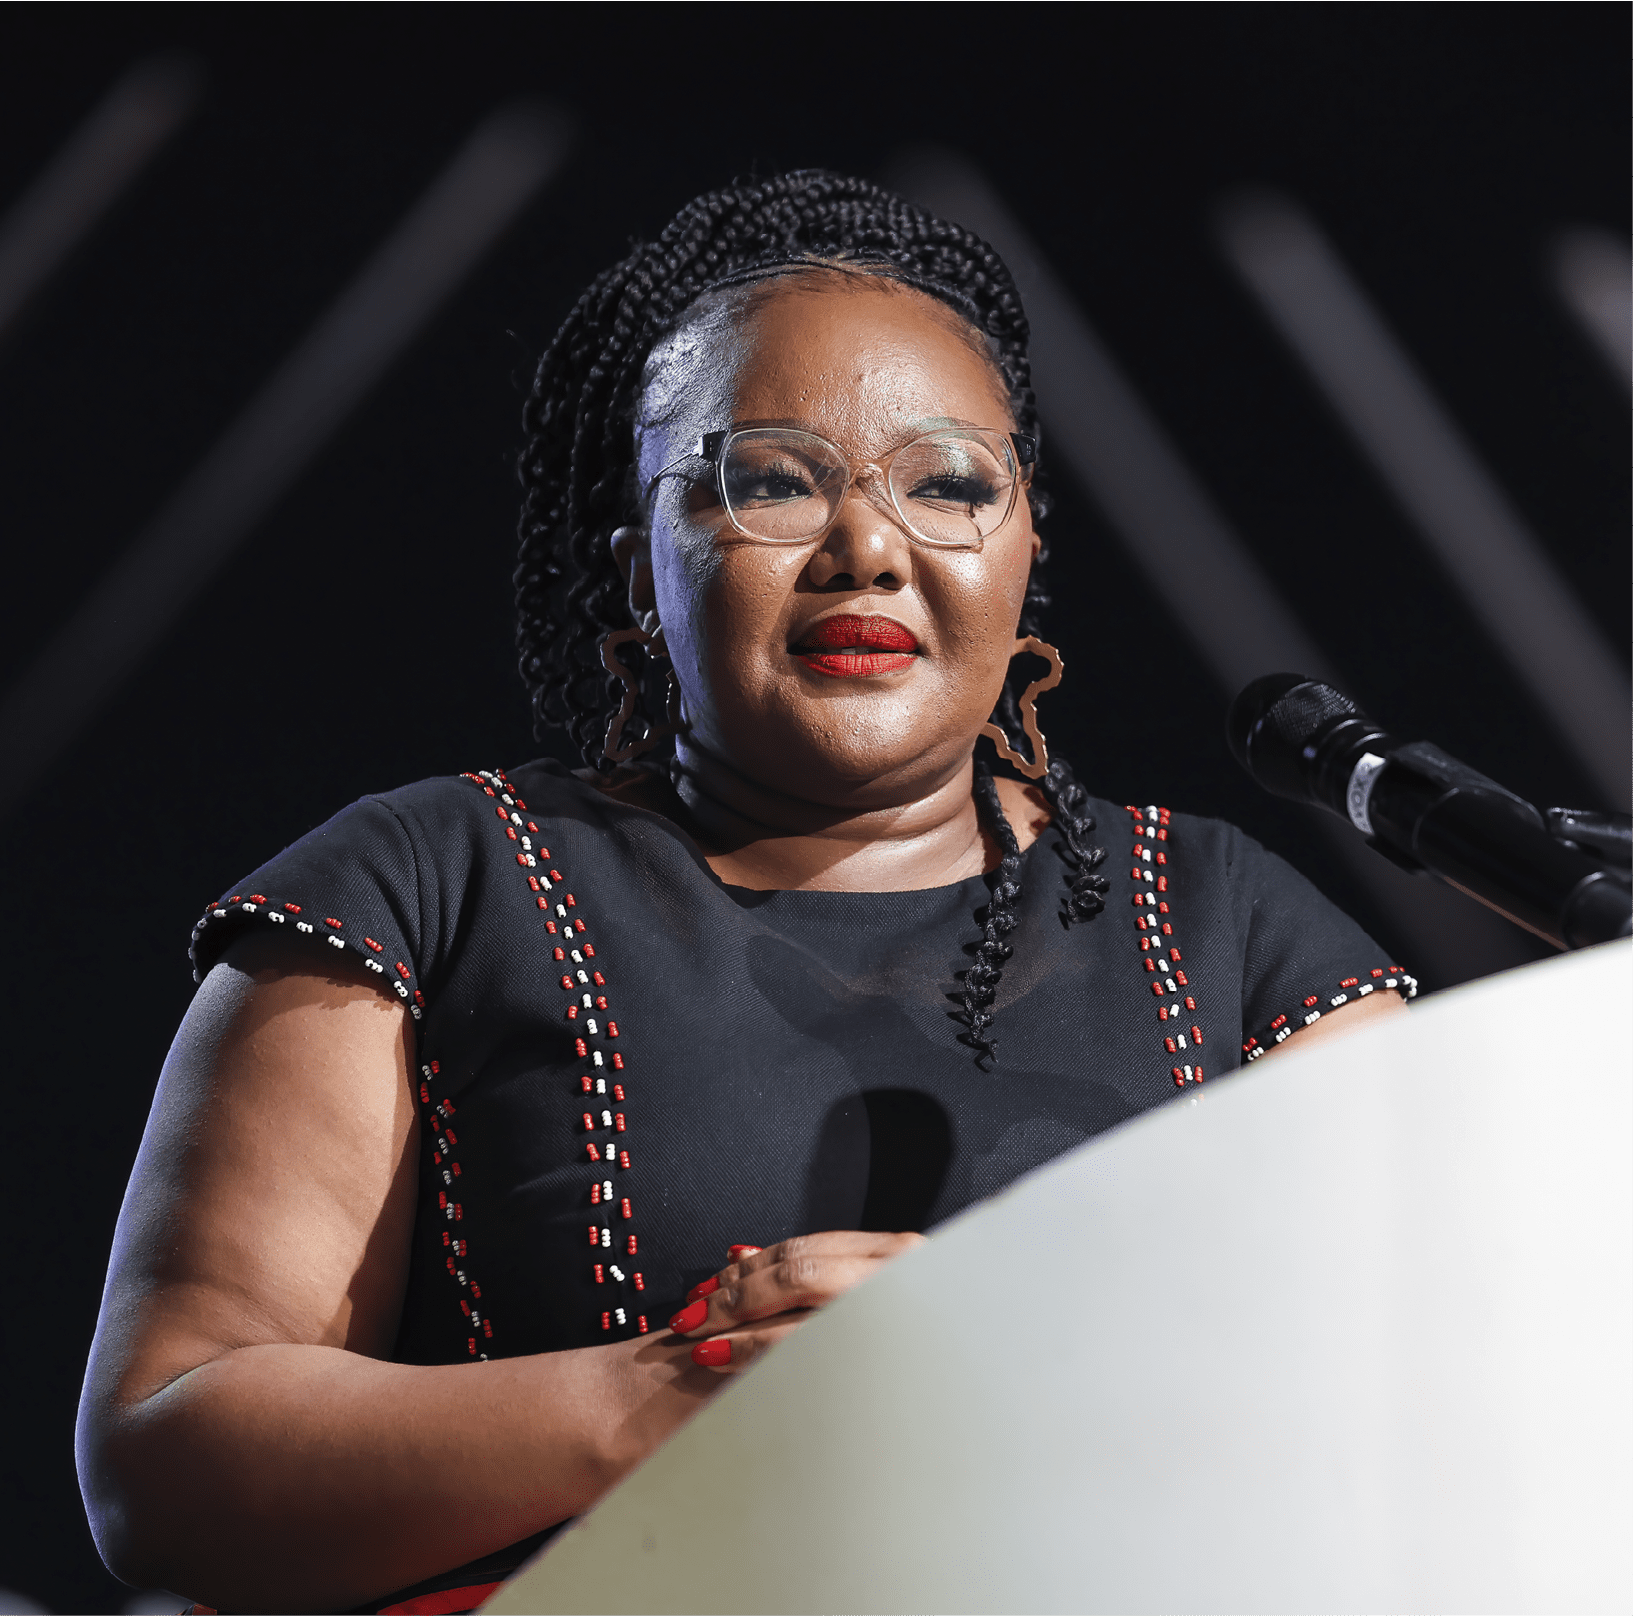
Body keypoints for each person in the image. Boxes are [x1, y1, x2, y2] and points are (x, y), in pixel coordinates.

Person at [76, 170, 1411, 1616]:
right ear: (640, 570)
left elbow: (1448, 1397)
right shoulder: (424, 890)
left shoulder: (1233, 936)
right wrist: (661, 1399)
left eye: (949, 482)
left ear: (1027, 553)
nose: (868, 547)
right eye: (770, 478)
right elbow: (165, 1457)